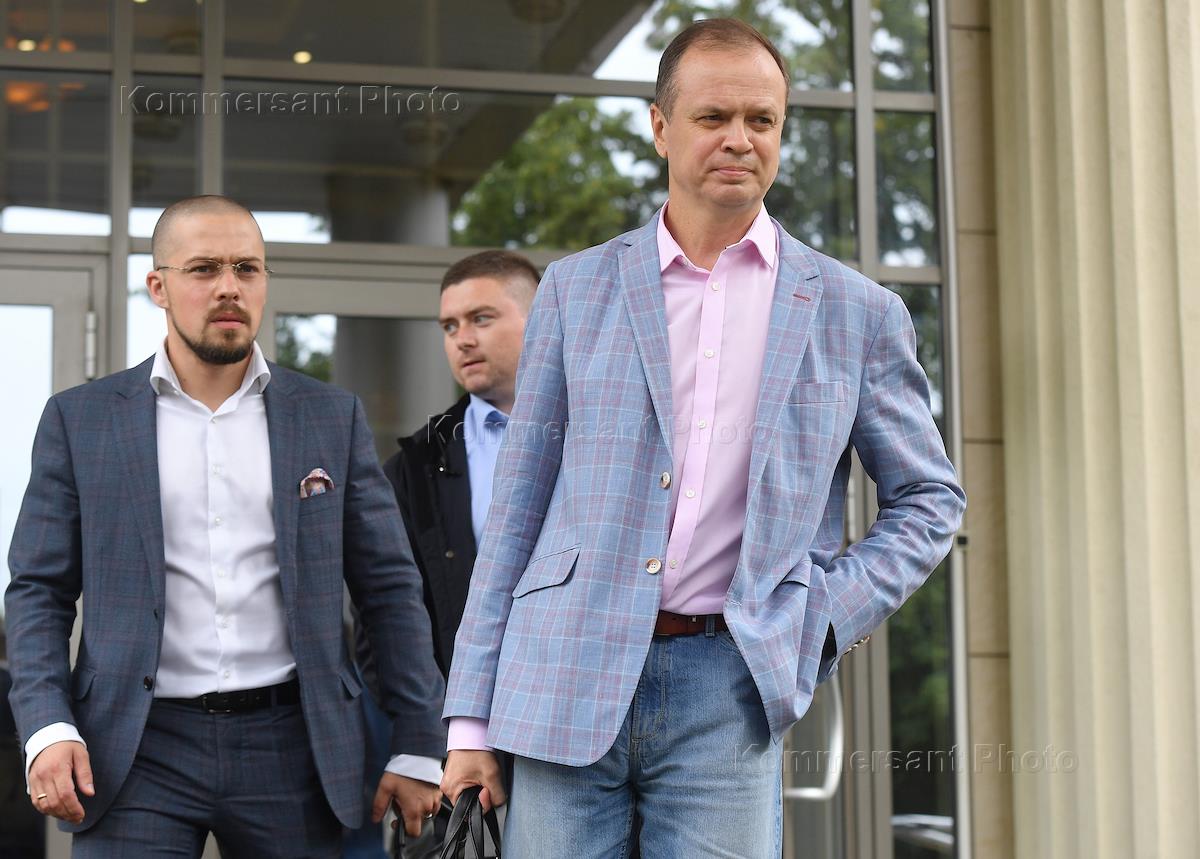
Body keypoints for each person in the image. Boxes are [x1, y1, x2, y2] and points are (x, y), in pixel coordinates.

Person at [439, 18, 967, 858]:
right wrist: (470, 718)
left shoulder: (857, 313)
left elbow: (930, 498)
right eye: (713, 116)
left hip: (730, 684)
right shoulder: (576, 289)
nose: (739, 139)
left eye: (762, 120)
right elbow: (517, 509)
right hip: (564, 670)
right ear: (660, 127)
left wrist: (825, 612)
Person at [4, 195, 446, 857]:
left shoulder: (330, 416)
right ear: (158, 287)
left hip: (295, 746)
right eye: (204, 268)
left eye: (247, 268)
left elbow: (388, 588)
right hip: (133, 747)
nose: (229, 287)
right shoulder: (82, 420)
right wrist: (46, 725)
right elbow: (38, 589)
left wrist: (417, 739)